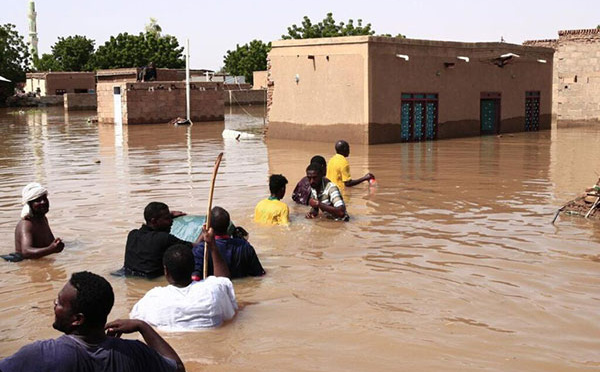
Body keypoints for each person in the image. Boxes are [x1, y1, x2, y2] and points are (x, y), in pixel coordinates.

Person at [0, 271, 184, 372]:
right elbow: (177, 368)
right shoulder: (133, 351)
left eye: (59, 303)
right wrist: (142, 326)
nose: (54, 304)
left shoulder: (42, 354)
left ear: (77, 319)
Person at [130, 228, 237, 330]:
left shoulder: (153, 298)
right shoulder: (212, 291)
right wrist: (212, 245)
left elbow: (134, 319)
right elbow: (224, 282)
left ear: (166, 271)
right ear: (193, 267)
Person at [119, 202, 195, 278]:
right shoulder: (164, 238)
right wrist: (204, 232)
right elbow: (194, 246)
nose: (171, 222)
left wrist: (168, 216)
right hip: (151, 279)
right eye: (167, 218)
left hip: (126, 275)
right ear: (154, 221)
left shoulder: (132, 235)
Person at [193, 206, 265, 279]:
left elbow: (195, 278)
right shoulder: (244, 246)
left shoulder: (201, 249)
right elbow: (259, 274)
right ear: (228, 225)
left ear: (208, 226)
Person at [8, 182, 64, 262]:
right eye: (37, 200)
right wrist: (51, 249)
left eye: (44, 198)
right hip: (25, 264)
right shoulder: (26, 224)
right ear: (29, 204)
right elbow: (26, 252)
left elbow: (50, 243)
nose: (43, 202)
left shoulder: (43, 218)